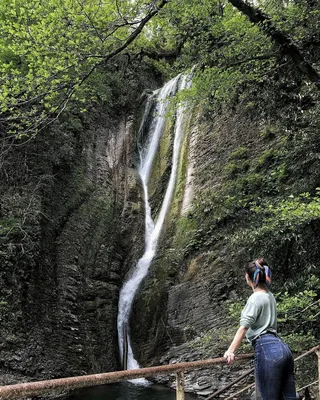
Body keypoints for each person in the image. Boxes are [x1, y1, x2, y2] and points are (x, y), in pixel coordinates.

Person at [224, 258, 297, 400]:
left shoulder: (255, 298)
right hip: (283, 349)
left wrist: (231, 350)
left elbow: (244, 327)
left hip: (267, 349)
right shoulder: (270, 296)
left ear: (247, 277)